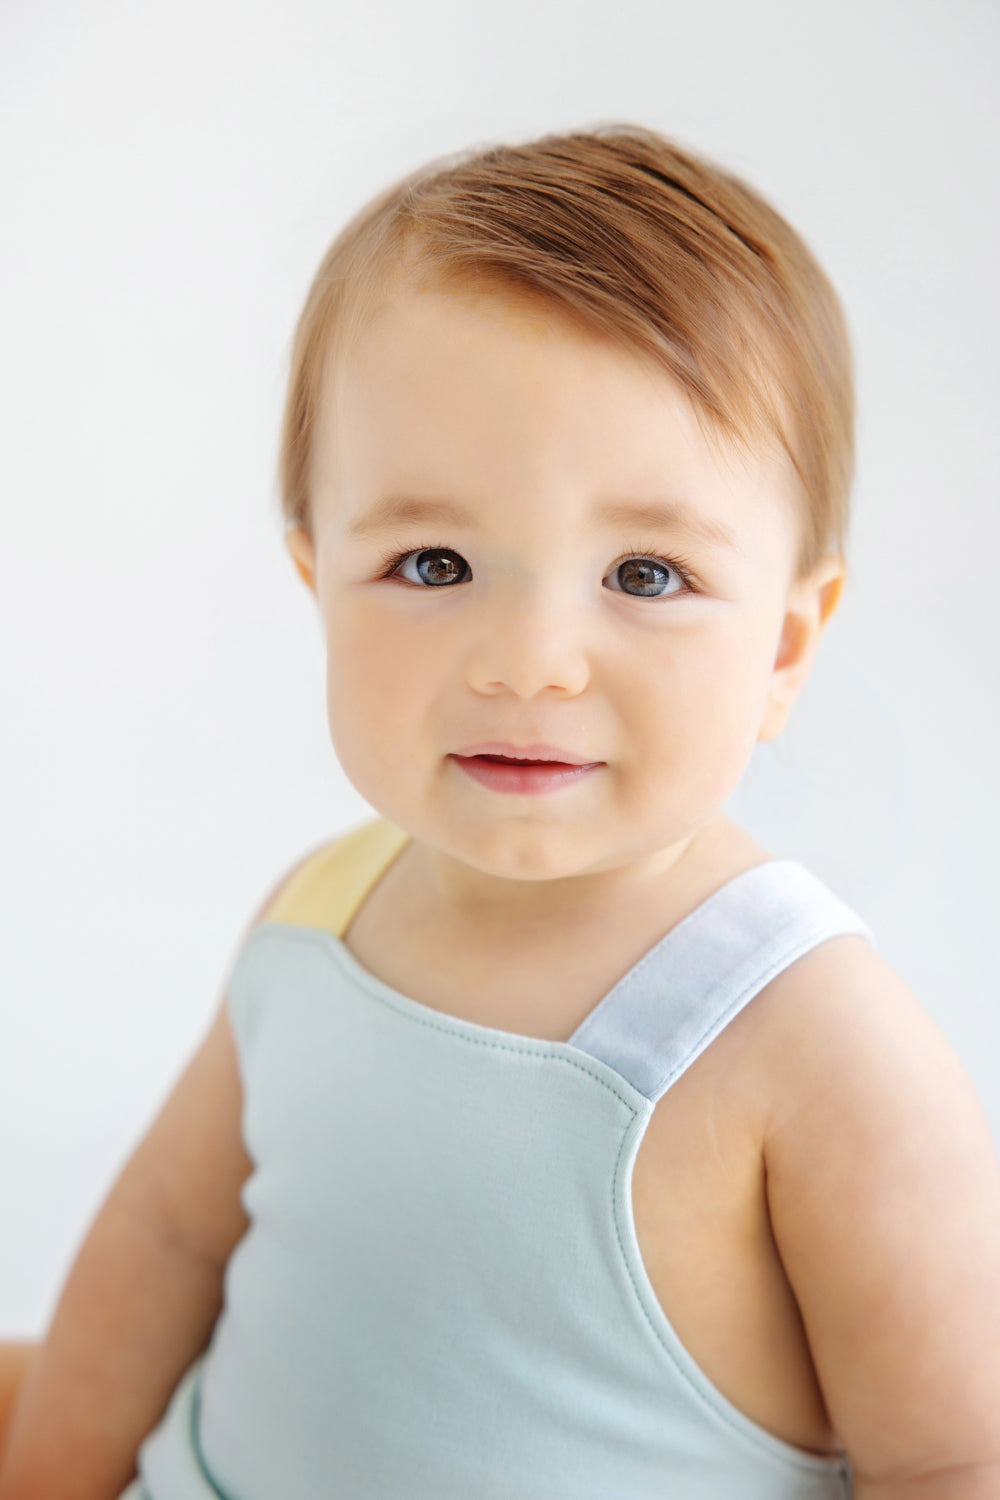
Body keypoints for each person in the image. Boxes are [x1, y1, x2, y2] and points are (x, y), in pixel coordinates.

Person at [2, 125, 999, 1500]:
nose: (528, 657)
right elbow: (167, 1240)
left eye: (646, 576)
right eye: (432, 561)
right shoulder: (314, 918)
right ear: (317, 587)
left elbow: (951, 1458)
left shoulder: (817, 1047)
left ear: (782, 645)